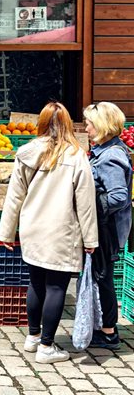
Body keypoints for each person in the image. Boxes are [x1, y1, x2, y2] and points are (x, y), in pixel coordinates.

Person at [0, 101, 98, 364]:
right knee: (56, 287)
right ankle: (47, 346)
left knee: (36, 283)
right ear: (67, 125)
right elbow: (85, 203)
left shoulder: (27, 152)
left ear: (41, 124)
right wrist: (91, 239)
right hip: (61, 231)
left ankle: (32, 337)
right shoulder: (76, 156)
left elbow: (14, 196)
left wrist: (7, 232)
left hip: (32, 228)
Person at [83, 101, 132, 349]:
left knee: (103, 277)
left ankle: (109, 332)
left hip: (106, 228)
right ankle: (104, 326)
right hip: (105, 225)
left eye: (89, 123)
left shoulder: (111, 156)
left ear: (101, 126)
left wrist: (91, 202)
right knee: (100, 275)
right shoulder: (106, 150)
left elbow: (118, 196)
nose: (86, 128)